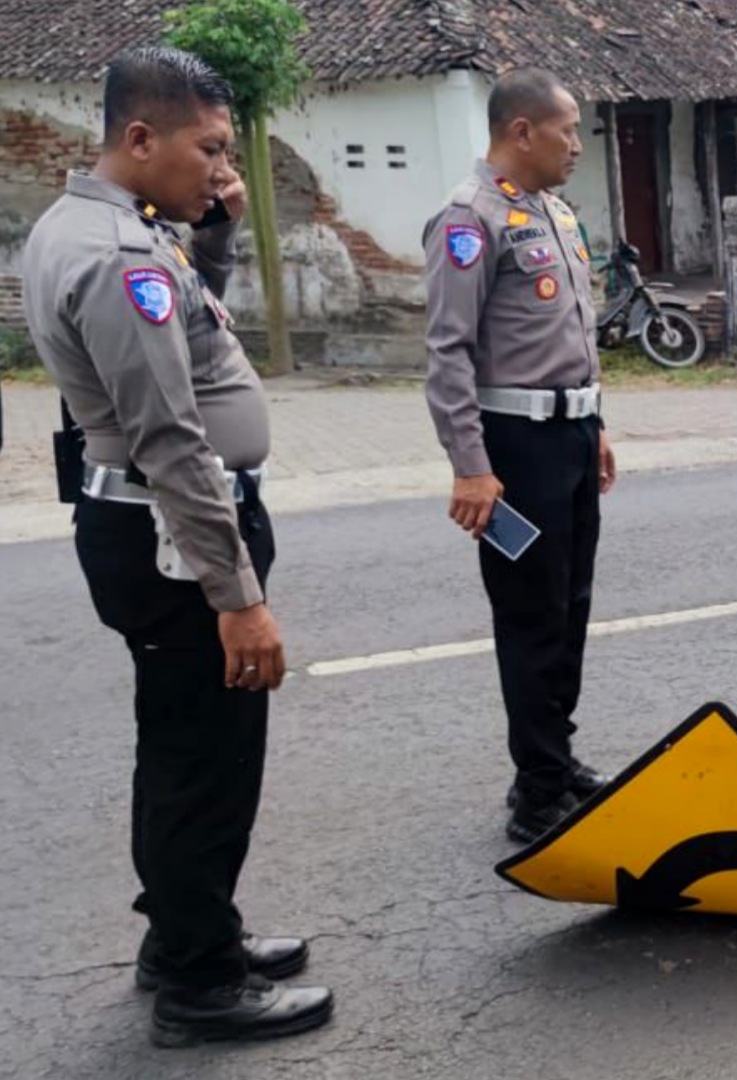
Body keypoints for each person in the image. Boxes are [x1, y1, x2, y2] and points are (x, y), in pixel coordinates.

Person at [19, 46, 332, 1047]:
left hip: (147, 532)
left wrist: (218, 237)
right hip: (176, 537)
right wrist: (236, 592)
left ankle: (190, 935)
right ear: (140, 137)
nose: (220, 168)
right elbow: (169, 437)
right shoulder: (121, 261)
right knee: (206, 759)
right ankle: (200, 984)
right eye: (209, 149)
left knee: (180, 747)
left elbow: (190, 341)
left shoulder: (109, 231)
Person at [422, 68, 617, 842]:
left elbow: (569, 337)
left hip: (569, 435)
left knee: (569, 607)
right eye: (567, 129)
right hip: (515, 449)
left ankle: (554, 757)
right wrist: (470, 465)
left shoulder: (555, 214)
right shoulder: (469, 220)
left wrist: (594, 422)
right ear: (521, 132)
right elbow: (447, 353)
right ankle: (537, 792)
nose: (577, 143)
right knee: (531, 616)